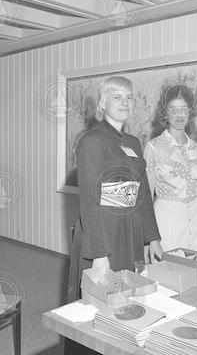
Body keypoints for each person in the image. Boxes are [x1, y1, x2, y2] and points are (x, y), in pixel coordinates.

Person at [68, 76, 162, 302]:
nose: (125, 102)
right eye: (117, 97)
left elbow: (143, 195)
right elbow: (90, 201)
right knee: (101, 298)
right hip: (103, 231)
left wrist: (152, 237)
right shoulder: (92, 141)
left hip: (130, 228)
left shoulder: (133, 142)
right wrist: (99, 254)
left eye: (129, 97)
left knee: (129, 293)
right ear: (102, 103)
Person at [144, 84, 197, 252]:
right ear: (165, 113)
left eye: (183, 109)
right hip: (167, 225)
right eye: (173, 109)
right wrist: (148, 239)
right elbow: (145, 196)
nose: (179, 115)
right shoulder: (154, 147)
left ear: (190, 111)